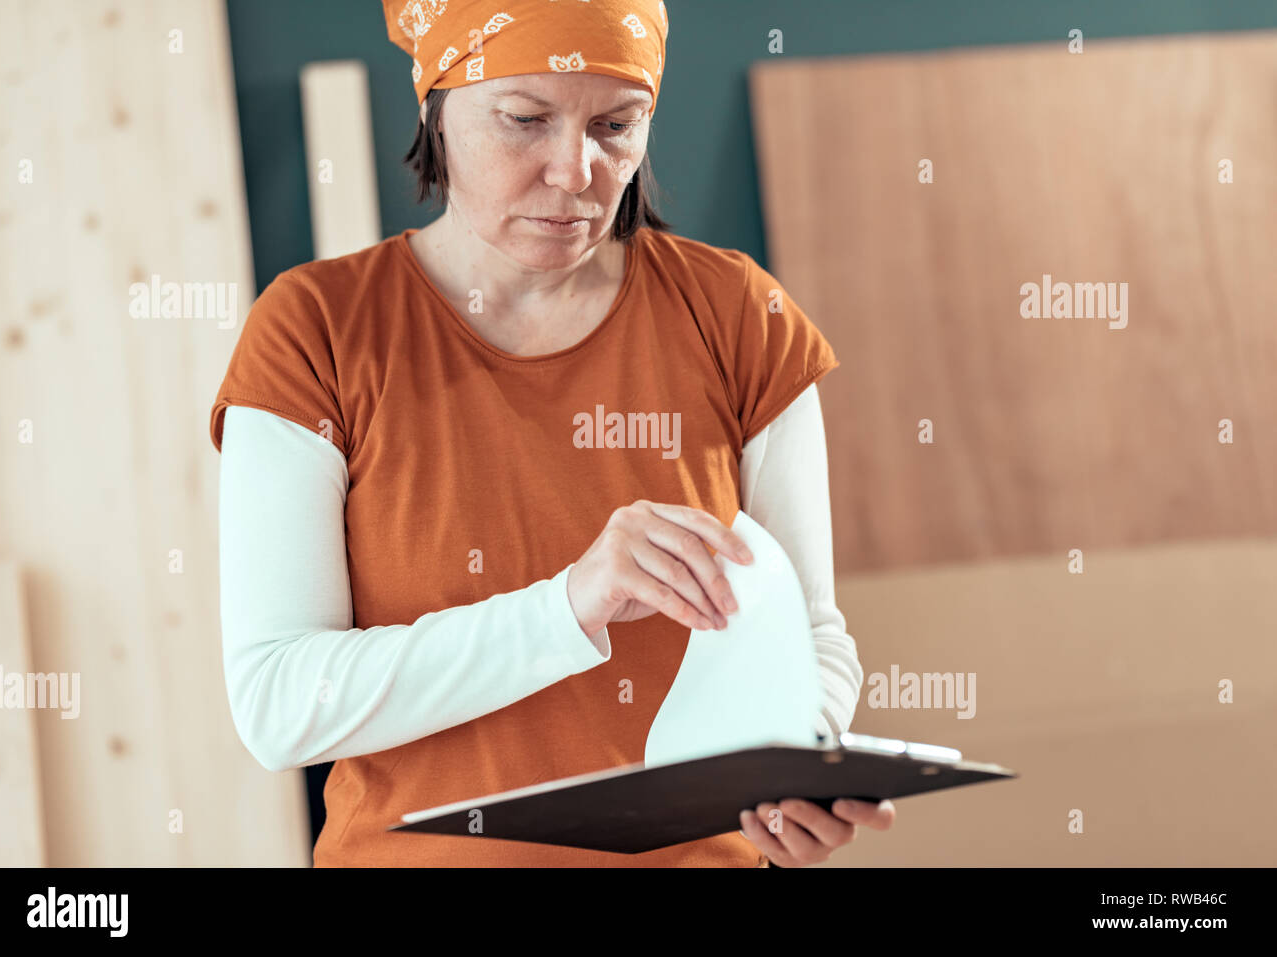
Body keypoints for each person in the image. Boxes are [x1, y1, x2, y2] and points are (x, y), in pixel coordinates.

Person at [208, 0, 894, 867]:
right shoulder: (316, 331)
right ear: (438, 109)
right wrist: (572, 603)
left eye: (616, 124)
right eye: (525, 120)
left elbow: (813, 635)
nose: (575, 171)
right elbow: (279, 706)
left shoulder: (740, 316)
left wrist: (800, 757)